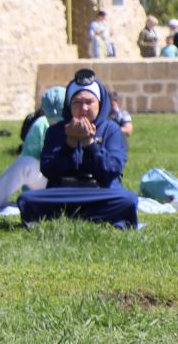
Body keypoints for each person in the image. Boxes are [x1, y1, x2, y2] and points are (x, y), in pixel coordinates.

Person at [18, 70, 138, 228]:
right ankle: (96, 217)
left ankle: (67, 216)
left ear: (100, 104)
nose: (84, 108)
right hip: (63, 193)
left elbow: (112, 169)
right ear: (69, 105)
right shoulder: (55, 131)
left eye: (89, 102)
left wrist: (90, 143)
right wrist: (70, 143)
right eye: (78, 102)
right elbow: (49, 170)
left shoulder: (112, 130)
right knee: (26, 200)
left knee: (128, 200)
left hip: (101, 192)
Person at [0, 86, 62, 213]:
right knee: (26, 164)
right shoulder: (41, 125)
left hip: (73, 187)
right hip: (48, 184)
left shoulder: (79, 124)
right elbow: (29, 160)